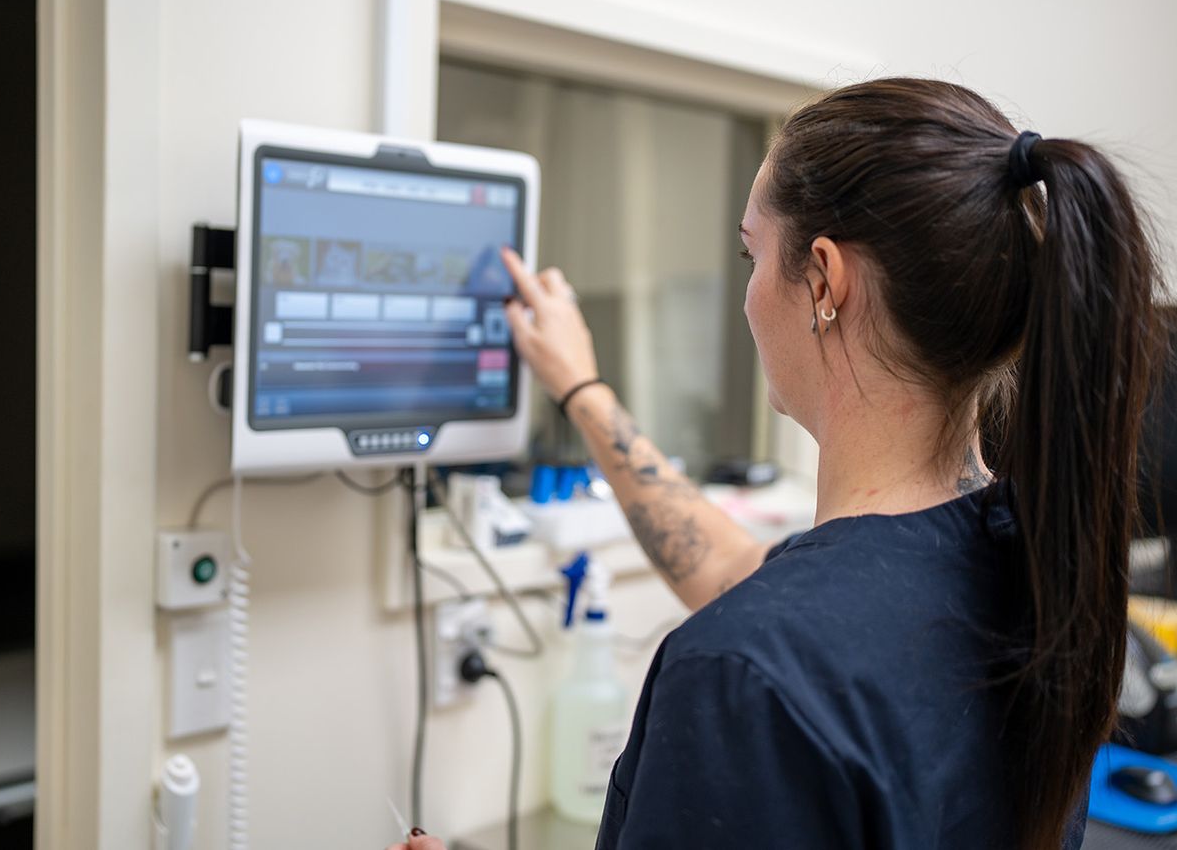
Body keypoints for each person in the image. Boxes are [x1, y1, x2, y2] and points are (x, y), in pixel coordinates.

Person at [387, 77, 1163, 850]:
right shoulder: (1026, 564)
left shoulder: (741, 674)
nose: (749, 288)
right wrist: (582, 390)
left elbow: (775, 632)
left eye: (750, 251)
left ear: (823, 279)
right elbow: (746, 576)